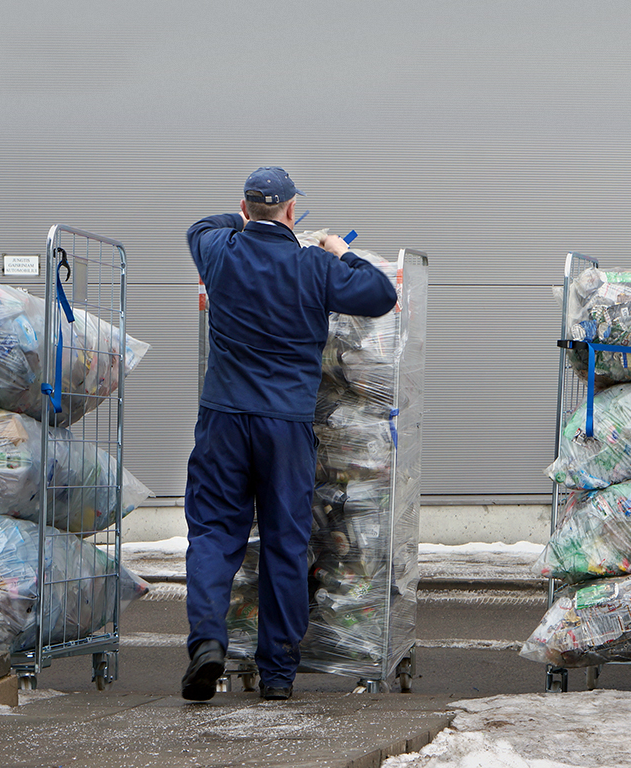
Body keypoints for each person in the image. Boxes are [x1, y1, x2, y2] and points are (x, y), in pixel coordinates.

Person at [181, 167, 398, 701]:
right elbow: (380, 293)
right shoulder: (315, 265)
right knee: (284, 542)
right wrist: (331, 248)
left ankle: (208, 643)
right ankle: (277, 674)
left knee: (213, 533)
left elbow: (199, 228)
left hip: (224, 419)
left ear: (245, 207)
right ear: (293, 211)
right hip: (286, 424)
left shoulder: (221, 252)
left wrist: (246, 219)